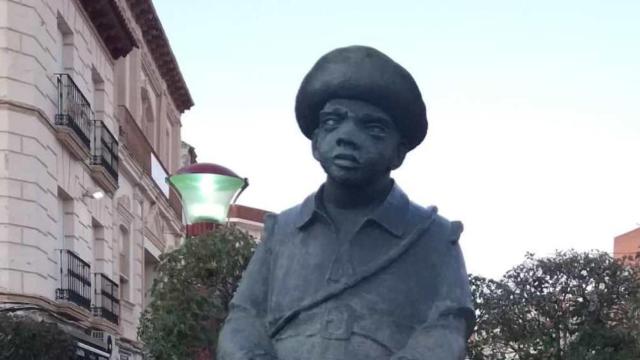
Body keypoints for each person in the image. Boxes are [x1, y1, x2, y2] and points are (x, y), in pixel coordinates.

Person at [218, 45, 475, 360]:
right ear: (315, 143)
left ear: (399, 152)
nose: (347, 136)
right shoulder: (281, 231)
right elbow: (244, 318)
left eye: (373, 128)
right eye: (332, 122)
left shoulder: (435, 236)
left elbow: (446, 328)